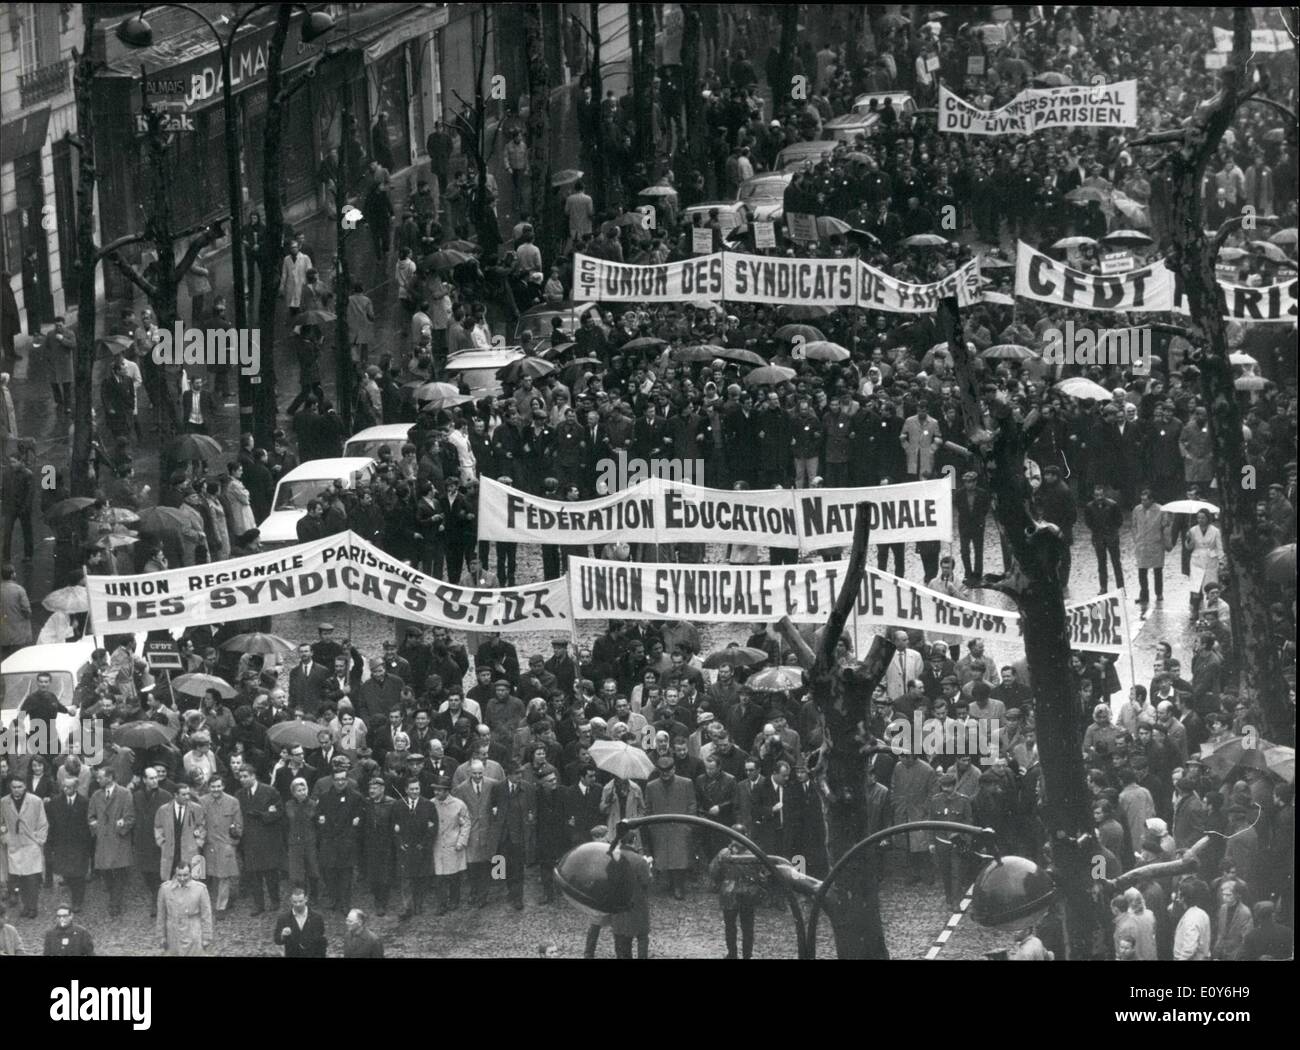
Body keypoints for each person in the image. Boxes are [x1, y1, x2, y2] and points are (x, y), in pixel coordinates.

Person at [643, 755, 697, 900]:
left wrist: (688, 825)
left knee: (679, 858)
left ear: (674, 769)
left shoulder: (686, 783)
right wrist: (651, 825)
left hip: (680, 826)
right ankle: (668, 883)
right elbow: (648, 807)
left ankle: (678, 886)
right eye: (662, 771)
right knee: (664, 856)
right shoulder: (651, 786)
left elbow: (692, 804)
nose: (665, 774)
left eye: (668, 770)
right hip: (660, 827)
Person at [709, 829, 766, 960]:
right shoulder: (754, 852)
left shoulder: (724, 853)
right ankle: (747, 955)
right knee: (747, 928)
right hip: (748, 893)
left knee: (730, 926)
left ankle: (732, 954)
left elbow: (713, 871)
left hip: (728, 892)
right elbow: (763, 875)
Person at [87, 767, 134, 917]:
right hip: (103, 840)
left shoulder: (124, 794)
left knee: (119, 873)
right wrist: (94, 825)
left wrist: (121, 827)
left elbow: (130, 817)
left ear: (110, 777)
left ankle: (115, 903)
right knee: (106, 872)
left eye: (100, 777)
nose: (97, 780)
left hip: (118, 839)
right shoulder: (96, 795)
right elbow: (91, 815)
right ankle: (113, 897)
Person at [2, 775, 48, 918]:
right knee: (19, 878)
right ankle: (25, 905)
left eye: (20, 787)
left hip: (30, 844)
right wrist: (4, 835)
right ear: (10, 788)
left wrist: (39, 839)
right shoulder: (4, 802)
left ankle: (32, 906)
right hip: (14, 845)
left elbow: (43, 822)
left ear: (25, 787)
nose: (17, 790)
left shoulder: (35, 801)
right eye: (14, 787)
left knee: (32, 879)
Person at [45, 776, 92, 912]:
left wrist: (87, 847)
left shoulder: (84, 802)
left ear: (76, 787)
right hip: (62, 845)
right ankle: (74, 896)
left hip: (79, 845)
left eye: (69, 787)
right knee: (67, 874)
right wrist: (51, 844)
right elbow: (52, 824)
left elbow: (87, 826)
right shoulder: (55, 802)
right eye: (64, 786)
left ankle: (77, 901)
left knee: (79, 874)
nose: (66, 789)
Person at [156, 861, 214, 956]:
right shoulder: (165, 889)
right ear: (175, 874)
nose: (182, 878)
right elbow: (161, 915)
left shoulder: (200, 889)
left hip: (193, 931)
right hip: (173, 933)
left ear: (190, 874)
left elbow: (206, 915)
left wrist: (206, 937)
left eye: (185, 875)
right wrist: (161, 936)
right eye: (179, 875)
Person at [274, 886, 328, 958]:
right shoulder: (283, 918)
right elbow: (277, 940)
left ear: (306, 899)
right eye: (295, 902)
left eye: (300, 901)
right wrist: (282, 935)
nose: (298, 904)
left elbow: (321, 941)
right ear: (291, 900)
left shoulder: (317, 918)